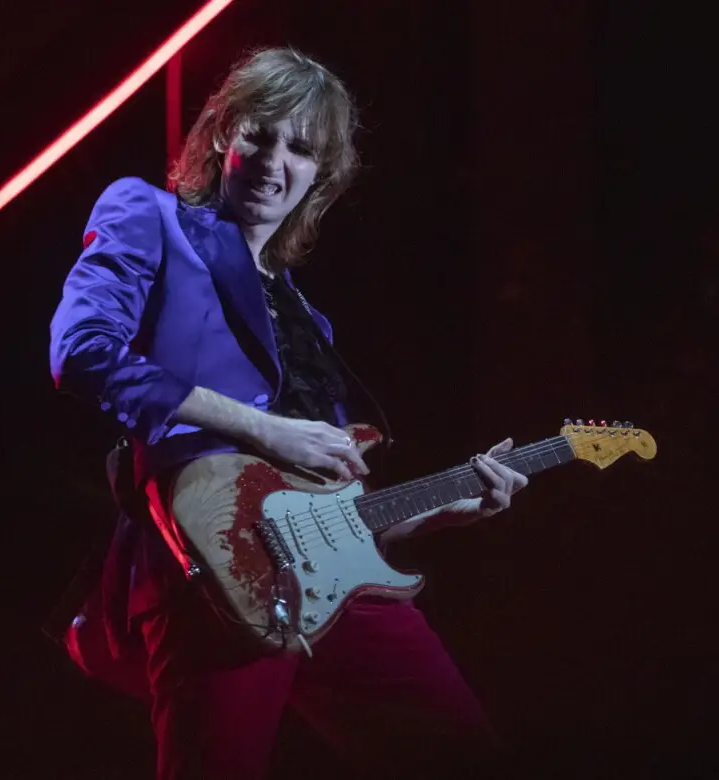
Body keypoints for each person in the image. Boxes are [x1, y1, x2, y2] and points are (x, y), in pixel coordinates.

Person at [50, 46, 529, 780]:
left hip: (337, 587)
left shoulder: (309, 323)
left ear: (321, 174)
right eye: (260, 135)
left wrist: (441, 514)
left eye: (301, 149)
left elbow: (328, 507)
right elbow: (82, 350)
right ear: (223, 135)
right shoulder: (149, 215)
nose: (275, 162)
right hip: (209, 568)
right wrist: (263, 427)